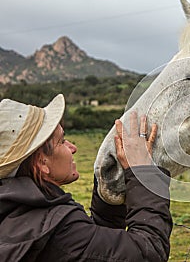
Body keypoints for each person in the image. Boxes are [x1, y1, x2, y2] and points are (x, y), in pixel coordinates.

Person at [0, 94, 172, 261]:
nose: (72, 147)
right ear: (41, 162)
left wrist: (108, 188)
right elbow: (149, 252)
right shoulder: (57, 231)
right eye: (62, 141)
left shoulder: (19, 215)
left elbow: (94, 251)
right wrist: (143, 172)